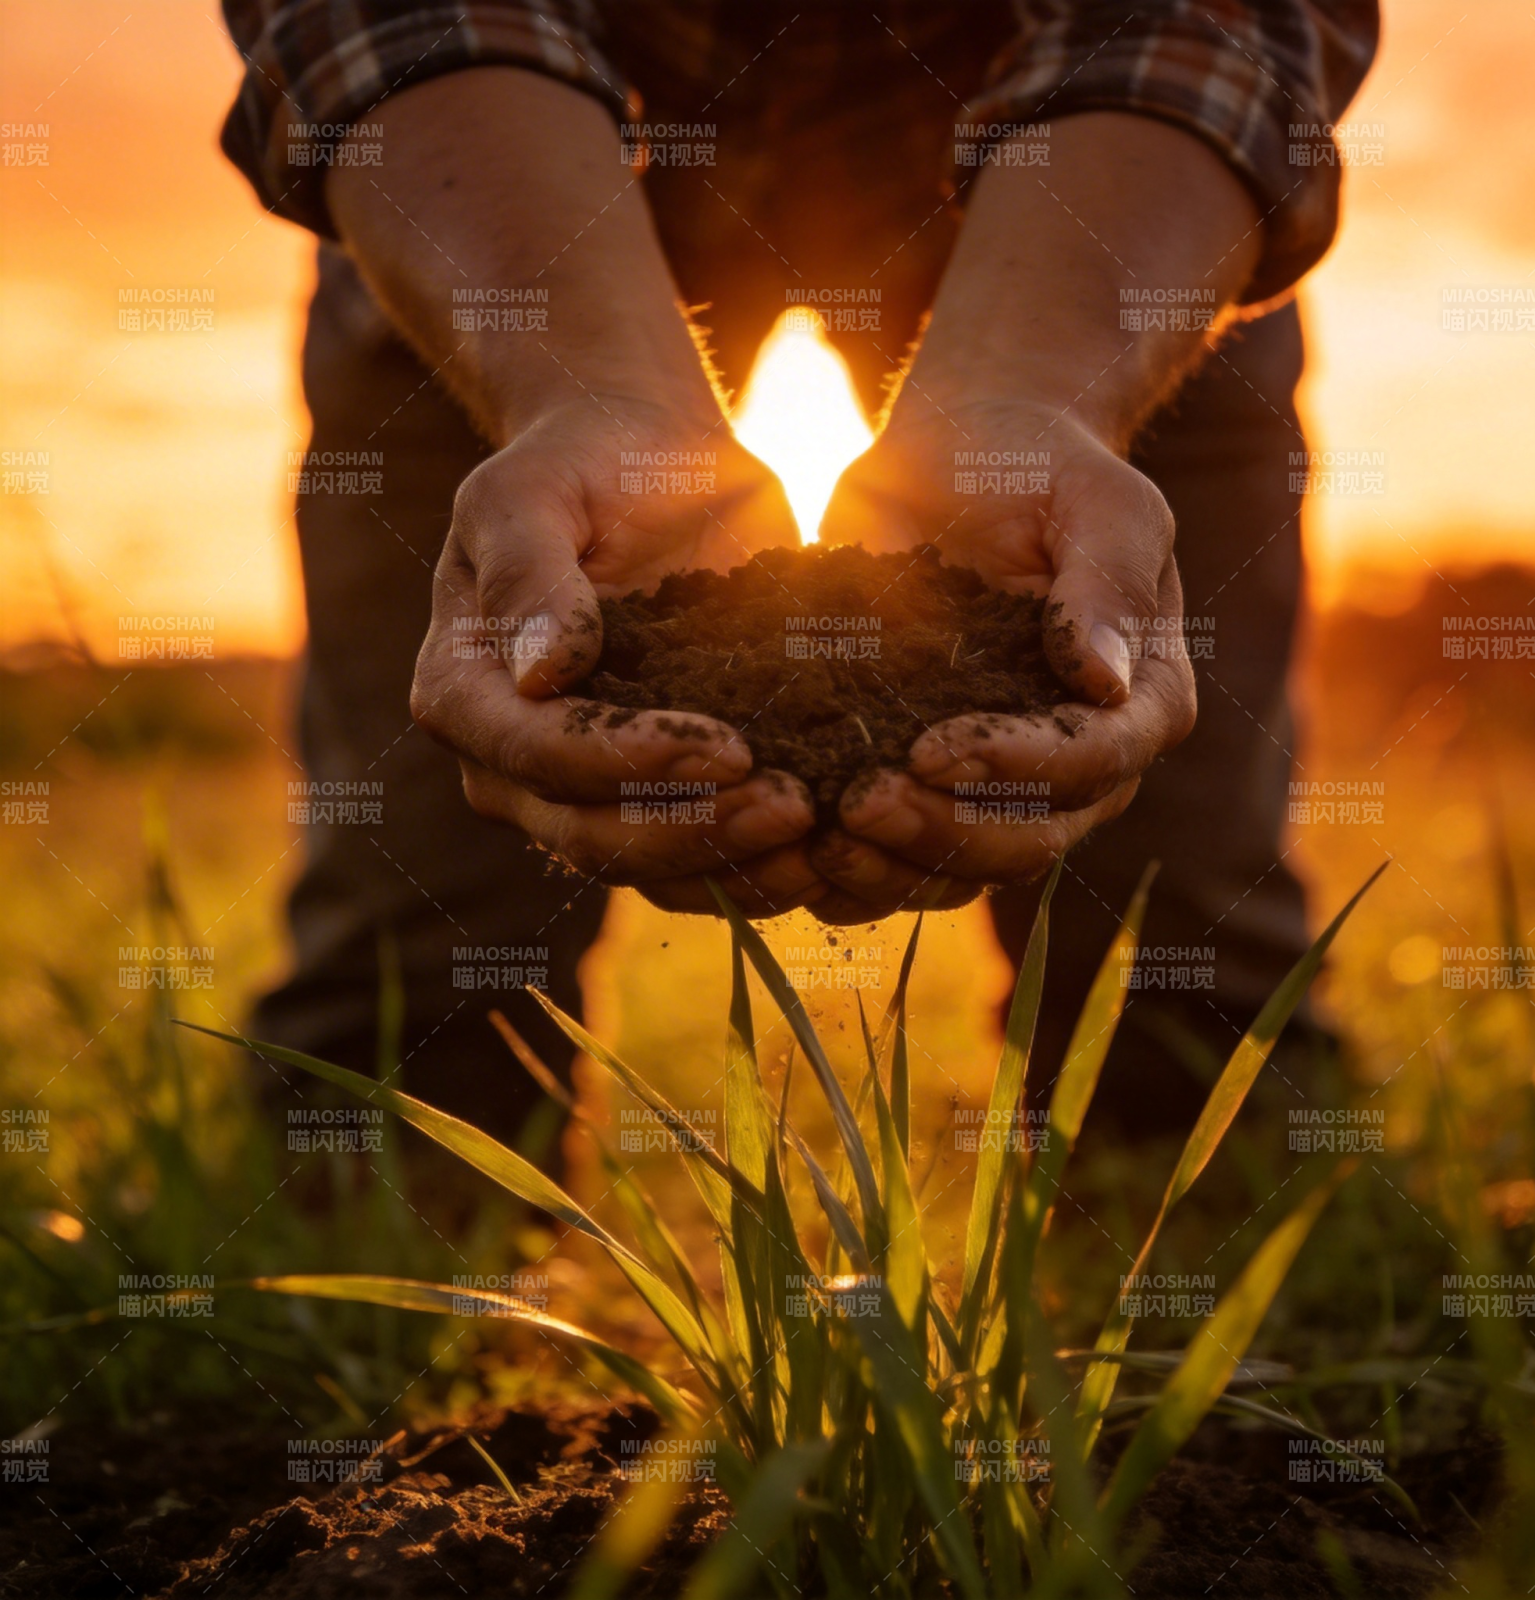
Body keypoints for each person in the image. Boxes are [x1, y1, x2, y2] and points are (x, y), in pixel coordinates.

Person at [220, 1, 1379, 1149]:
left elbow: (1198, 24)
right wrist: (581, 395)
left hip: (1098, 203)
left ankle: (1207, 1223)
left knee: (1185, 968)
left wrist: (1032, 405)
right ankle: (381, 1218)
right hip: (498, 189)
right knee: (409, 994)